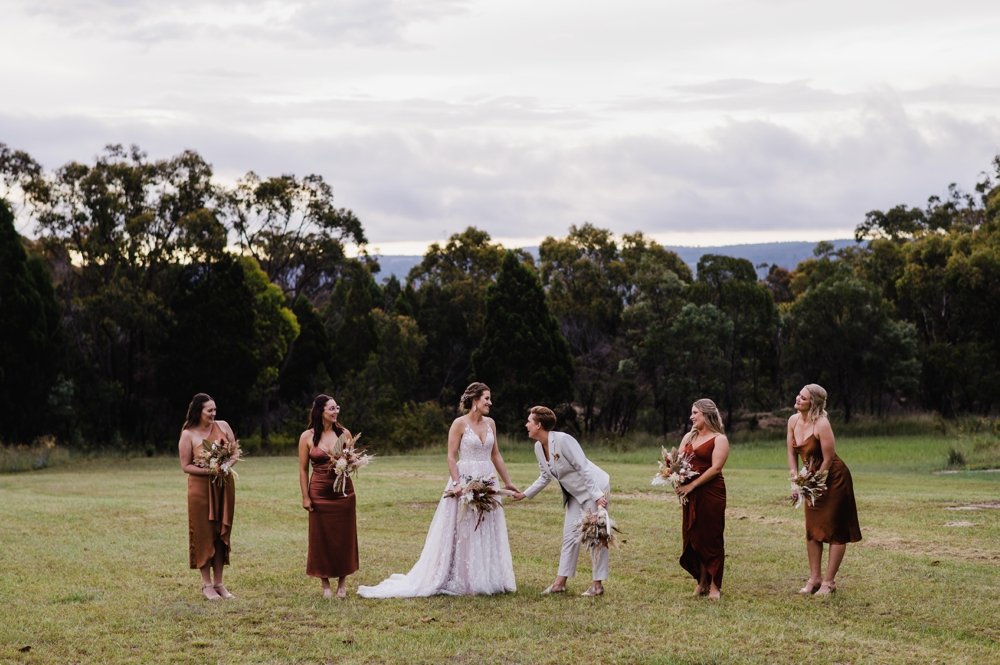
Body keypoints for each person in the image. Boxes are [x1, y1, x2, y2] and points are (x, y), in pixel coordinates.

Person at [357, 382, 518, 597]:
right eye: (487, 398)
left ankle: (487, 576)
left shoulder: (491, 424)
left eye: (490, 398)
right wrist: (457, 483)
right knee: (466, 529)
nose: (490, 402)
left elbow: (496, 454)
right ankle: (464, 578)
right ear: (475, 400)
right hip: (465, 480)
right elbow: (451, 456)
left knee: (486, 527)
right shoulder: (459, 424)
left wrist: (507, 482)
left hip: (488, 479)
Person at [511, 405, 611, 597]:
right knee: (569, 536)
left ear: (539, 425)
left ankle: (597, 586)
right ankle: (559, 583)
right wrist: (524, 494)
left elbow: (583, 468)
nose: (526, 425)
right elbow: (544, 476)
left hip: (594, 488)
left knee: (594, 536)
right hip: (574, 494)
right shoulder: (538, 447)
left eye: (529, 421)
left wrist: (598, 497)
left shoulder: (564, 440)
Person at [787, 384, 861, 595]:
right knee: (813, 529)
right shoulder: (792, 421)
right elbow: (792, 454)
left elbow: (828, 459)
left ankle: (829, 582)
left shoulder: (822, 424)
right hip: (810, 476)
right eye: (798, 395)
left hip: (833, 478)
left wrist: (812, 484)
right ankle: (814, 579)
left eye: (803, 397)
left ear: (814, 403)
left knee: (835, 529)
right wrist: (796, 481)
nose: (798, 399)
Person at [177, 393, 238, 601]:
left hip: (223, 486)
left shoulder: (223, 426)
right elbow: (186, 466)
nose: (213, 413)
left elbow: (234, 452)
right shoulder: (188, 434)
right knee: (204, 533)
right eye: (209, 410)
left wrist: (226, 466)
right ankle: (206, 585)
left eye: (214, 409)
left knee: (221, 530)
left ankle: (219, 583)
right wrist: (211, 471)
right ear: (198, 411)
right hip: (201, 489)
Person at [298, 394, 360, 598]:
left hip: (343, 493)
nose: (336, 412)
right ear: (320, 411)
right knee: (320, 538)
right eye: (331, 409)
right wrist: (305, 497)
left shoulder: (343, 434)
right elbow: (303, 470)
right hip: (319, 493)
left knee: (343, 537)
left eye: (337, 408)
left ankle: (342, 584)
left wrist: (348, 463)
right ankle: (325, 585)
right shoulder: (307, 436)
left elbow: (352, 460)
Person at [674, 398, 730, 600]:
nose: (691, 416)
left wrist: (692, 485)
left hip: (710, 493)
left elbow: (716, 468)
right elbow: (677, 462)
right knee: (693, 536)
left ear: (706, 415)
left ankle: (715, 584)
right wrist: (676, 480)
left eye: (695, 413)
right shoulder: (689, 437)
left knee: (711, 537)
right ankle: (702, 581)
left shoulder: (719, 439)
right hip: (690, 494)